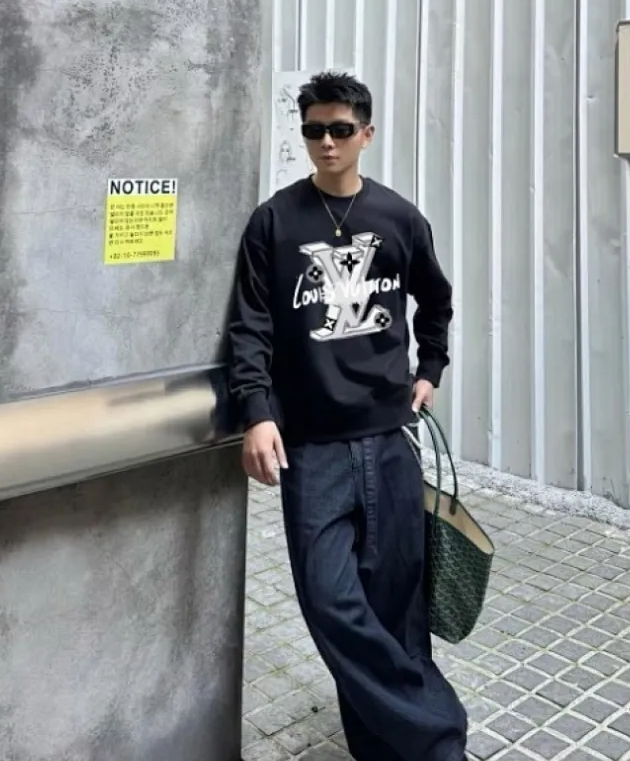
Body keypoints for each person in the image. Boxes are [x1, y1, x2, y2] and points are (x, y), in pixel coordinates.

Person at [226, 70, 468, 761]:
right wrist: (257, 412)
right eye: (313, 130)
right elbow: (250, 326)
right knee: (331, 600)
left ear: (366, 134)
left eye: (339, 129)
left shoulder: (398, 218)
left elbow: (437, 301)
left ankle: (384, 747)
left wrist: (430, 369)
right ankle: (438, 735)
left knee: (395, 605)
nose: (325, 142)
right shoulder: (274, 222)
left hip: (389, 440)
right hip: (312, 447)